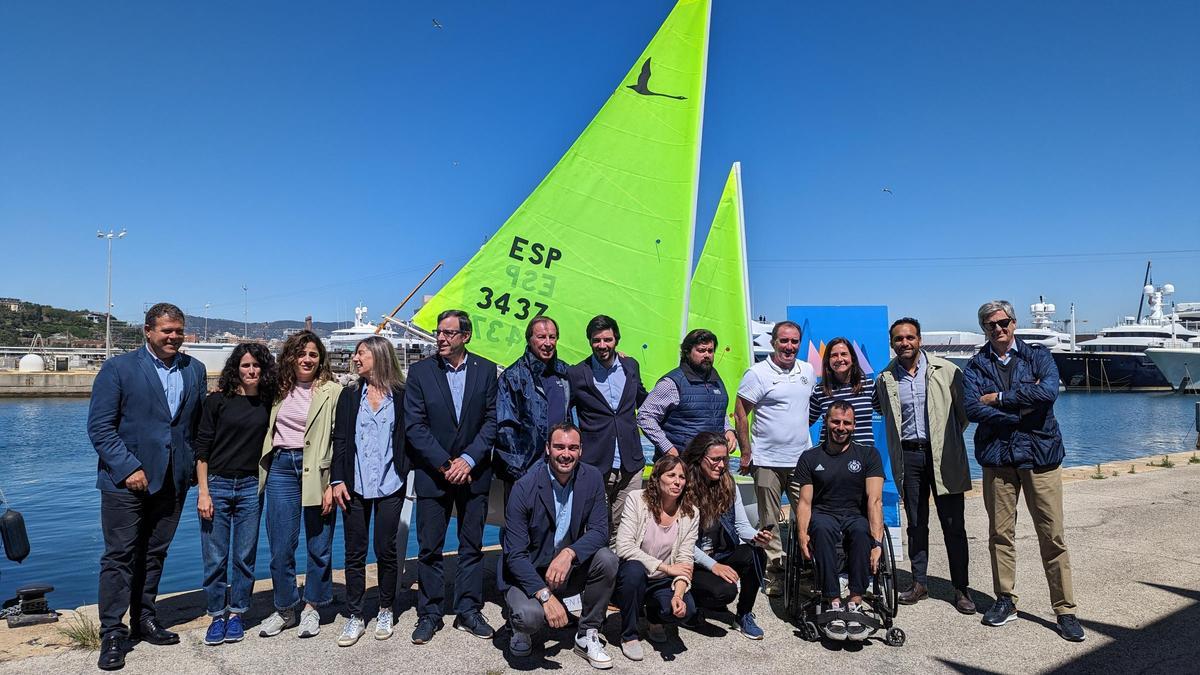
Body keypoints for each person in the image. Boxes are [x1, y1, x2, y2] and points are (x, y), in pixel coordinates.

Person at [87, 303, 208, 671]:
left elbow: (197, 426)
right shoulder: (118, 369)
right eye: (166, 330)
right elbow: (100, 428)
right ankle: (112, 631)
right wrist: (128, 468)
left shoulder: (195, 370)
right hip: (125, 482)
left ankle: (144, 618)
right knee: (120, 555)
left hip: (175, 479)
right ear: (148, 331)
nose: (173, 337)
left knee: (155, 553)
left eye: (178, 331)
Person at [963, 300, 1084, 642]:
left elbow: (1048, 392)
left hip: (1040, 456)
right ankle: (1006, 600)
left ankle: (1065, 610)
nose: (998, 329)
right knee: (1000, 534)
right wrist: (1020, 412)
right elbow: (972, 408)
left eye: (1003, 322)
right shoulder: (974, 366)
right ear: (984, 329)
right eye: (991, 325)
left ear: (1014, 323)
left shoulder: (1038, 356)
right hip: (999, 460)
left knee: (1053, 536)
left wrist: (999, 397)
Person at [405, 309, 499, 644]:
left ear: (465, 336)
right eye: (438, 332)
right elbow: (415, 427)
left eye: (448, 333)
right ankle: (430, 613)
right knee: (429, 548)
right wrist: (447, 464)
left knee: (471, 545)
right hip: (434, 475)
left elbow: (492, 422)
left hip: (474, 475)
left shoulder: (486, 370)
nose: (441, 338)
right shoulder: (419, 372)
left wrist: (469, 460)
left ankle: (468, 611)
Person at [874, 317, 975, 614]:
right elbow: (882, 411)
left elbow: (963, 414)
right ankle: (919, 583)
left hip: (944, 456)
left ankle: (961, 589)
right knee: (917, 524)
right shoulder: (886, 378)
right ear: (892, 344)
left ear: (919, 340)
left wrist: (947, 443)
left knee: (954, 524)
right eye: (898, 339)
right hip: (909, 456)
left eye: (910, 337)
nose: (905, 343)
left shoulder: (947, 370)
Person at [501, 422, 617, 669]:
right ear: (547, 448)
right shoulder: (524, 487)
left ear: (581, 451)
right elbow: (515, 555)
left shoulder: (592, 478)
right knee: (530, 617)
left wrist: (569, 553)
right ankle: (519, 629)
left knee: (607, 559)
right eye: (559, 447)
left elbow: (600, 531)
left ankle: (587, 634)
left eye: (573, 447)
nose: (566, 454)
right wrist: (545, 597)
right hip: (529, 573)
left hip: (566, 569)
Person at [257, 331, 343, 639]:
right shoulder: (277, 389)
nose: (306, 359)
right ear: (290, 357)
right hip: (281, 467)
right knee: (281, 546)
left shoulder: (333, 391)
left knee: (319, 545)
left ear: (321, 360)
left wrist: (334, 481)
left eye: (313, 355)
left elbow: (340, 440)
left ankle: (312, 607)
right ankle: (284, 608)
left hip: (318, 472)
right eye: (300, 353)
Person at [194, 343, 276, 647]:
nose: (251, 371)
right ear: (235, 369)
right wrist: (203, 492)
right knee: (215, 557)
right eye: (245, 365)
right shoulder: (217, 402)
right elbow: (202, 448)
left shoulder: (270, 402)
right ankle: (216, 615)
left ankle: (237, 613)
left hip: (250, 488)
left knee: (244, 556)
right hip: (216, 484)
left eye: (257, 366)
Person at [329, 336, 410, 646]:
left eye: (360, 353)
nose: (355, 358)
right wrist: (337, 480)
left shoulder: (401, 395)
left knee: (386, 549)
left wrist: (407, 469)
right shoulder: (350, 395)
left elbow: (409, 435)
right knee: (354, 551)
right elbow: (341, 441)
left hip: (391, 482)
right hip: (355, 485)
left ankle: (386, 608)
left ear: (378, 355)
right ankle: (355, 614)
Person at [791, 402, 886, 641]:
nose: (840, 427)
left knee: (862, 530)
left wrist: (878, 544)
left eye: (846, 423)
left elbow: (874, 501)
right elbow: (804, 502)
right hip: (824, 513)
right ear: (826, 422)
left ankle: (855, 601)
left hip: (854, 514)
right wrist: (802, 534)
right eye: (835, 422)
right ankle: (832, 601)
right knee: (821, 529)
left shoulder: (868, 455)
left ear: (854, 426)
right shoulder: (810, 457)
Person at [733, 320, 815, 595]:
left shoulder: (808, 370)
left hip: (801, 461)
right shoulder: (757, 373)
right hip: (766, 460)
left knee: (806, 518)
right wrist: (746, 452)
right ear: (773, 343)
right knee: (769, 520)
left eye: (794, 342)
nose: (789, 347)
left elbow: (805, 410)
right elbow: (740, 412)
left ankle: (805, 572)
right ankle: (776, 573)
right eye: (784, 341)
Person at [680, 432, 772, 639]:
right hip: (689, 561)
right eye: (715, 459)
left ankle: (744, 615)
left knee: (756, 554)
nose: (721, 465)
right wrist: (714, 566)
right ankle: (691, 599)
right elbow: (682, 544)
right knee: (723, 593)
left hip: (719, 554)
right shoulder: (684, 488)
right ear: (698, 458)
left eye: (724, 460)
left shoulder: (728, 484)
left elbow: (741, 526)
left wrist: (757, 537)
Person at [566, 314, 648, 540]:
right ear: (590, 341)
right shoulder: (577, 373)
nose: (602, 346)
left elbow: (645, 401)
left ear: (616, 340)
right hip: (594, 463)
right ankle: (598, 572)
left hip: (630, 463)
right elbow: (563, 414)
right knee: (595, 526)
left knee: (626, 527)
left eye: (607, 340)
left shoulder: (631, 365)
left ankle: (621, 572)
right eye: (596, 340)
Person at [612, 455, 699, 661]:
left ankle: (654, 618)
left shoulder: (691, 513)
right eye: (671, 475)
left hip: (662, 581)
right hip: (634, 575)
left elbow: (685, 559)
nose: (678, 481)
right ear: (657, 477)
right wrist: (666, 568)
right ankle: (629, 635)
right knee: (633, 570)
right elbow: (623, 547)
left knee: (687, 611)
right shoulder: (637, 499)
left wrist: (677, 595)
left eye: (682, 477)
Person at [495, 316, 571, 489]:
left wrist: (617, 357)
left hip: (559, 470)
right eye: (541, 337)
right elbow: (504, 428)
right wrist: (520, 473)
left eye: (552, 337)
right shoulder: (513, 376)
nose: (548, 343)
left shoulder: (565, 372)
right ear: (529, 340)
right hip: (524, 473)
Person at [637, 328, 736, 461]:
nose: (707, 355)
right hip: (681, 465)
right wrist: (668, 448)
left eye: (710, 351)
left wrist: (728, 430)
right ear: (687, 352)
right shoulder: (671, 383)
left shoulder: (716, 380)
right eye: (701, 350)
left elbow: (717, 410)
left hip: (712, 465)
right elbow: (645, 416)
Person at [808, 336, 876, 446]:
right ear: (828, 361)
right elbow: (805, 423)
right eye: (834, 355)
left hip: (864, 456)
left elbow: (886, 412)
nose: (839, 359)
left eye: (844, 354)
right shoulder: (820, 391)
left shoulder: (869, 385)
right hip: (830, 457)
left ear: (852, 358)